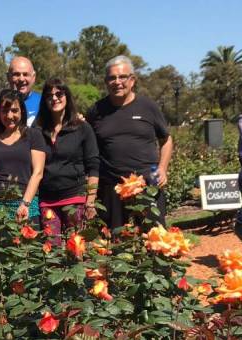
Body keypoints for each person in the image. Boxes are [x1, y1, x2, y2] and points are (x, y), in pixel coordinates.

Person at [86, 55, 173, 230]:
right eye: (112, 78)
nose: (117, 82)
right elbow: (87, 148)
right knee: (116, 244)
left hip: (147, 186)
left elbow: (166, 140)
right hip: (112, 188)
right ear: (106, 81)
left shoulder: (148, 107)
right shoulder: (96, 111)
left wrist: (162, 168)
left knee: (155, 240)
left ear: (132, 80)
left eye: (122, 77)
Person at [35, 77, 99, 241]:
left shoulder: (82, 128)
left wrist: (90, 202)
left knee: (76, 248)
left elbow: (93, 166)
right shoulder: (38, 130)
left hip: (74, 198)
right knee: (52, 251)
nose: (54, 98)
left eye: (59, 93)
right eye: (49, 95)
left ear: (67, 96)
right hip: (47, 200)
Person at [0, 89, 46, 225]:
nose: (9, 115)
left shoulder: (33, 135)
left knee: (27, 246)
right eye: (4, 111)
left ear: (22, 111)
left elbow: (38, 173)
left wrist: (25, 203)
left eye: (14, 110)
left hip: (25, 203)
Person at [0, 56, 41, 130]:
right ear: (8, 77)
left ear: (33, 77)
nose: (21, 79)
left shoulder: (43, 103)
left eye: (25, 74)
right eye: (16, 74)